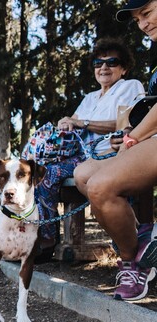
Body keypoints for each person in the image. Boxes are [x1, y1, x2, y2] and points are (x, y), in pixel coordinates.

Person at [26, 37, 144, 260]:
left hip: (110, 152)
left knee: (52, 174)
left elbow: (126, 123)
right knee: (40, 172)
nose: (104, 67)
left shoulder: (130, 86)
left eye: (112, 62)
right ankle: (46, 237)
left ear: (124, 67)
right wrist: (65, 122)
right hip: (81, 154)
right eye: (98, 64)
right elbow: (74, 121)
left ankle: (125, 233)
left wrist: (84, 123)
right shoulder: (90, 98)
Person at [74, 0, 157, 301]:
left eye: (147, 14)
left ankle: (132, 260)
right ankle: (140, 248)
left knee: (100, 186)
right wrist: (129, 134)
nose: (143, 24)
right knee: (83, 174)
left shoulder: (129, 83)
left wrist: (132, 138)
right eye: (137, 20)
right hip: (145, 137)